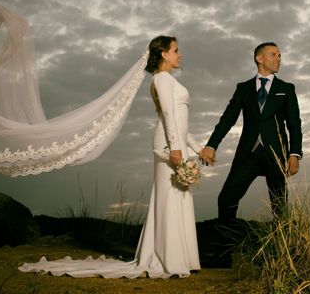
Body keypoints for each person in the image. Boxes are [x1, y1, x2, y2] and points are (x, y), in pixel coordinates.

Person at [19, 36, 202, 278]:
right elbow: (168, 114)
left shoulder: (168, 80)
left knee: (180, 196)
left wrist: (198, 149)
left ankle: (182, 259)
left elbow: (182, 123)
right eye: (176, 50)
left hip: (176, 141)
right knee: (169, 197)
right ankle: (168, 260)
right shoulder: (162, 79)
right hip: (169, 143)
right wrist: (176, 147)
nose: (180, 54)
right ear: (164, 54)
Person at [200, 42, 303, 226]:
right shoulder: (243, 88)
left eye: (279, 55)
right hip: (248, 153)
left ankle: (281, 252)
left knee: (280, 207)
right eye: (273, 55)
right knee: (226, 199)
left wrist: (295, 153)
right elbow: (228, 119)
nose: (278, 59)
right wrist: (212, 145)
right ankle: (225, 253)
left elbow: (294, 124)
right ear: (259, 58)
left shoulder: (287, 89)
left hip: (276, 154)